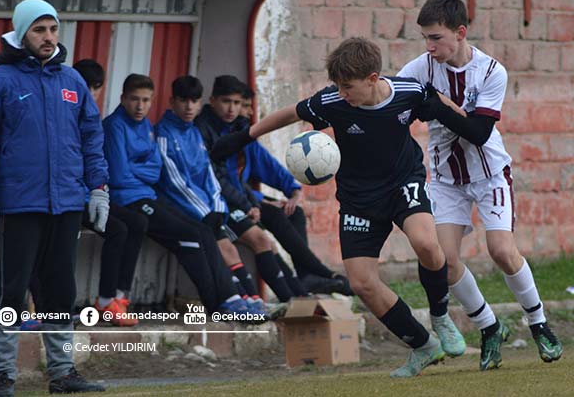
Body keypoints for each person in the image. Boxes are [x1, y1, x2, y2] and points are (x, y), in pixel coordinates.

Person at [210, 38, 467, 377]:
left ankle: (440, 316)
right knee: (362, 283)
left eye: (348, 86)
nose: (342, 93)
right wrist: (243, 137)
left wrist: (471, 124)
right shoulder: (332, 101)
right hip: (359, 197)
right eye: (338, 86)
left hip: (403, 181)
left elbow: (443, 105)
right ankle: (423, 346)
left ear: (373, 78)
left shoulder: (408, 92)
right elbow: (290, 112)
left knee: (427, 245)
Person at [397, 0, 562, 369]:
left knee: (502, 251)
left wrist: (436, 106)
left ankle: (538, 324)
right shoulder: (419, 69)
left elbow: (480, 132)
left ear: (460, 32)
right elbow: (392, 97)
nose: (429, 46)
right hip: (444, 178)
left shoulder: (491, 72)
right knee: (445, 259)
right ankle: (489, 327)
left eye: (436, 38)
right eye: (425, 38)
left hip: (489, 174)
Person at [0, 0, 108, 395]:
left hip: (66, 203)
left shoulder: (73, 82)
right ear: (21, 34)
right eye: (39, 30)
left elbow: (91, 139)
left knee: (60, 290)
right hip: (18, 205)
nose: (48, 38)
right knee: (11, 290)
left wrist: (99, 189)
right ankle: (3, 375)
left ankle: (62, 373)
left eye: (53, 29)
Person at [102, 73, 262, 320]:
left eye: (145, 100)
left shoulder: (145, 125)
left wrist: (136, 168)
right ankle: (221, 302)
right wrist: (140, 169)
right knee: (193, 234)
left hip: (148, 195)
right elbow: (119, 176)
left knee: (200, 234)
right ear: (123, 98)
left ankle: (228, 299)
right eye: (134, 99)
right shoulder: (115, 125)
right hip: (128, 201)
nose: (140, 106)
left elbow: (155, 171)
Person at [154, 75, 267, 313]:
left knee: (229, 247)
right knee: (216, 244)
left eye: (194, 101)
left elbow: (209, 175)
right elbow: (176, 182)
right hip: (183, 207)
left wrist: (218, 207)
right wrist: (206, 211)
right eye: (183, 101)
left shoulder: (194, 132)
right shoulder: (164, 133)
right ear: (172, 101)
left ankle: (251, 299)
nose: (189, 107)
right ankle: (233, 299)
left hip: (206, 207)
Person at [195, 75, 300, 303]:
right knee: (260, 239)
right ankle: (265, 300)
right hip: (213, 203)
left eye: (238, 104)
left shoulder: (240, 131)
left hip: (235, 200)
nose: (233, 109)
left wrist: (287, 190)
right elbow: (217, 178)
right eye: (227, 102)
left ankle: (297, 293)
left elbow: (257, 169)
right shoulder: (204, 130)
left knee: (278, 230)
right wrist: (251, 203)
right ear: (212, 101)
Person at [239, 86, 353, 295]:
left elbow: (272, 169)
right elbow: (223, 182)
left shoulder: (246, 141)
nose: (246, 112)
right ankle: (323, 273)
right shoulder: (220, 138)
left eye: (246, 106)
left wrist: (294, 191)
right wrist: (260, 200)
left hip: (247, 200)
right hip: (230, 204)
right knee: (274, 216)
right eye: (239, 105)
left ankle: (306, 276)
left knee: (294, 212)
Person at [73, 59, 148, 326]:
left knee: (138, 221)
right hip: (69, 198)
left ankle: (118, 296)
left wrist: (99, 191)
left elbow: (97, 162)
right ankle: (104, 301)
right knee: (118, 229)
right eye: (86, 87)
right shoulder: (66, 115)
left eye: (96, 88)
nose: (91, 93)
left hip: (90, 195)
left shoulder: (92, 117)